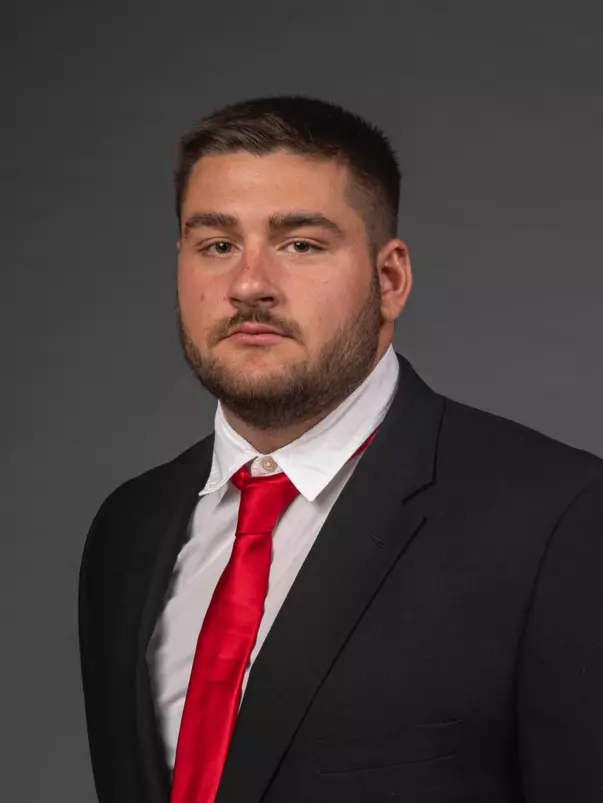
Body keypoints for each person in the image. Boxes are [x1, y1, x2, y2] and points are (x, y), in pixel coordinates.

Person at [78, 95, 603, 803]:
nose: (249, 284)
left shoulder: (561, 521)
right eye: (217, 244)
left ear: (389, 280)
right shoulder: (127, 528)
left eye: (300, 243)